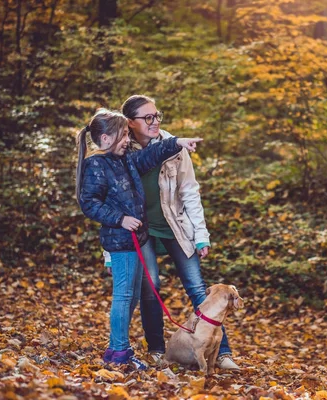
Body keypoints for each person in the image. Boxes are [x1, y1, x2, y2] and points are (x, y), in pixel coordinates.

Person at [103, 94, 240, 370]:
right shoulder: (119, 151)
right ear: (130, 123)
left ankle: (222, 353)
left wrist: (202, 235)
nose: (155, 122)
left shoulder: (172, 144)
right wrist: (110, 254)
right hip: (140, 232)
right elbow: (108, 205)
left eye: (157, 116)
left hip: (176, 226)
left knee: (197, 287)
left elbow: (190, 191)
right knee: (150, 285)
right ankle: (156, 350)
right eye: (148, 117)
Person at [76, 108, 202, 370]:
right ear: (107, 139)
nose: (127, 140)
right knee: (123, 296)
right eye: (123, 135)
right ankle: (120, 351)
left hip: (134, 239)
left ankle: (116, 350)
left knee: (130, 296)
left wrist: (177, 142)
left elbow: (151, 155)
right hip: (120, 241)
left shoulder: (125, 160)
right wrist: (120, 219)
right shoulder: (96, 164)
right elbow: (88, 203)